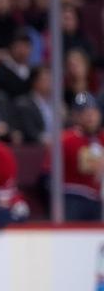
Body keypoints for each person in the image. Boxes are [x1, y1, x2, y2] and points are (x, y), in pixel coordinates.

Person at [60, 92, 104, 221]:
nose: (90, 116)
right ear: (75, 116)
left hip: (97, 199)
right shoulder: (65, 140)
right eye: (84, 112)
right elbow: (47, 176)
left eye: (93, 111)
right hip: (72, 197)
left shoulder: (102, 138)